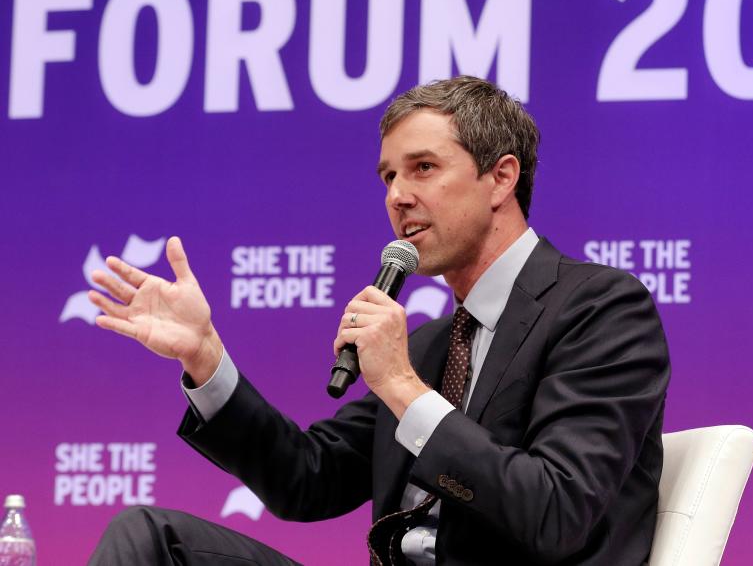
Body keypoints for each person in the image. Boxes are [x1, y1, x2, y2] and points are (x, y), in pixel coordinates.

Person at [87, 76, 671, 565]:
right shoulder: (431, 346)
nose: (397, 196)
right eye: (389, 176)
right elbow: (307, 478)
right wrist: (205, 357)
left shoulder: (599, 308)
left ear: (502, 178)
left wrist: (400, 387)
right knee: (153, 541)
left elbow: (557, 512)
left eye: (423, 168)